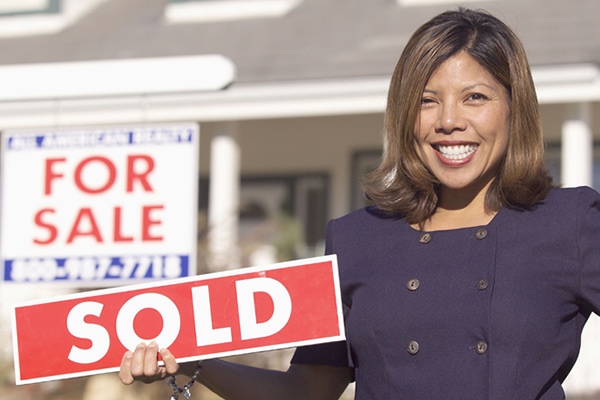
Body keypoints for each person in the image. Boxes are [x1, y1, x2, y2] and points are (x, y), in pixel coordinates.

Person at [119, 7, 599, 399]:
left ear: (515, 108)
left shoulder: (568, 223)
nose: (449, 121)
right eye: (427, 101)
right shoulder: (356, 239)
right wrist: (197, 362)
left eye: (475, 97)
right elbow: (306, 392)